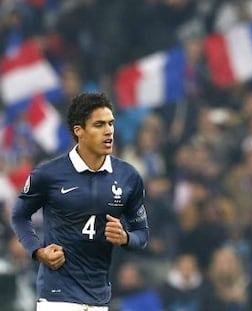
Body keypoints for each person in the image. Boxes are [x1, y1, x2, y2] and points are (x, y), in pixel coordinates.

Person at [10, 92, 150, 311]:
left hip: (99, 300)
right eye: (99, 125)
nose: (109, 131)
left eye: (111, 124)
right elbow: (19, 215)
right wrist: (38, 251)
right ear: (79, 131)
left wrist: (125, 237)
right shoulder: (49, 174)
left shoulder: (128, 176)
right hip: (57, 299)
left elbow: (142, 234)